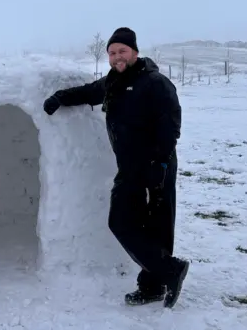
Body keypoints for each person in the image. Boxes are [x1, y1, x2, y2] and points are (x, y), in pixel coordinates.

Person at [42, 27, 189, 308]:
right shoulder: (113, 82)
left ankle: (153, 285)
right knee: (122, 222)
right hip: (130, 167)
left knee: (157, 223)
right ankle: (167, 272)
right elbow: (87, 92)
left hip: (157, 163)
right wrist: (59, 97)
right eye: (112, 52)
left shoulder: (155, 82)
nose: (117, 56)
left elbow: (170, 125)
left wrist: (159, 162)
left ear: (134, 52)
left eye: (122, 51)